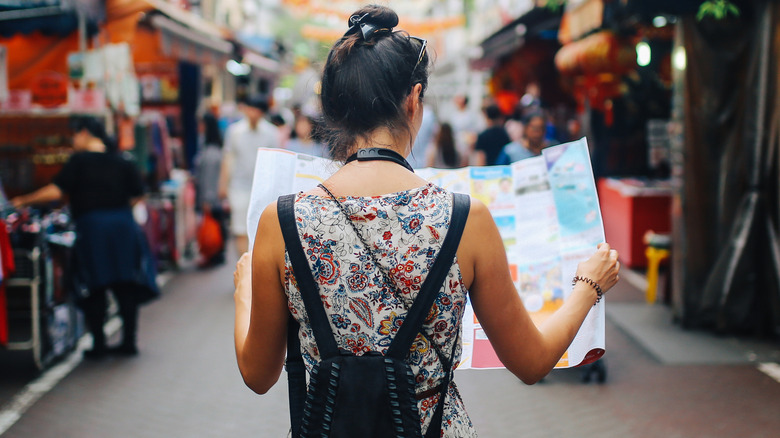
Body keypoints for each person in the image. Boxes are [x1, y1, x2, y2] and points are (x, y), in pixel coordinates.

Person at [233, 5, 620, 437]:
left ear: (335, 108)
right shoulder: (464, 218)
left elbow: (257, 374)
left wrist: (244, 292)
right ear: (414, 99)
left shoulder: (281, 220)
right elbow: (532, 362)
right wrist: (589, 285)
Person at [11, 116, 158, 358]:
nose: (73, 140)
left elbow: (55, 191)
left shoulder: (79, 162)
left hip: (93, 228)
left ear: (86, 133)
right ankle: (128, 342)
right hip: (123, 227)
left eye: (75, 134)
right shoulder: (122, 160)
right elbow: (138, 194)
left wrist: (21, 201)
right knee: (125, 285)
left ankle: (99, 344)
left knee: (95, 284)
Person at [218, 95, 280, 256]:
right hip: (239, 186)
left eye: (257, 110)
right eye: (250, 109)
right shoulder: (235, 132)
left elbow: (276, 161)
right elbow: (228, 158)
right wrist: (223, 184)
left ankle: (257, 268)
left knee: (261, 229)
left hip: (263, 188)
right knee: (240, 228)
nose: (253, 113)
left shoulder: (271, 133)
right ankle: (244, 267)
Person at [194, 111, 226, 266]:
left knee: (213, 227)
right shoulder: (210, 147)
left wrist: (207, 199)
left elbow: (210, 177)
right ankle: (215, 254)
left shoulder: (211, 151)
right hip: (212, 198)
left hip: (211, 198)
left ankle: (214, 254)